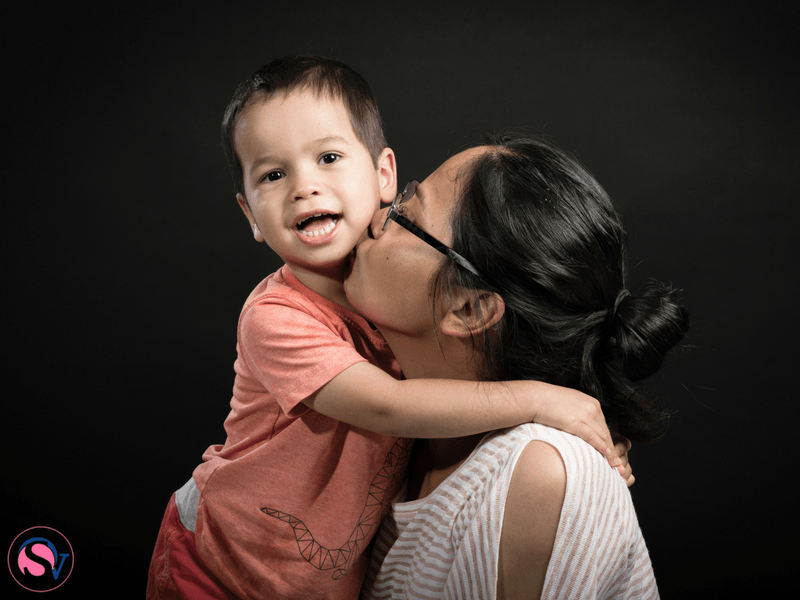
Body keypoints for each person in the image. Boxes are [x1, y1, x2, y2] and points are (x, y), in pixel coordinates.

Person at [146, 57, 627, 600]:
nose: (304, 187)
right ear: (250, 215)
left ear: (382, 176)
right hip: (216, 560)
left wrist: (590, 426)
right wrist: (542, 399)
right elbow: (386, 406)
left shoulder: (396, 302)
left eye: (328, 158)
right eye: (273, 175)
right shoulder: (276, 317)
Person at [348, 134, 690, 599]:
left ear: (469, 310)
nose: (375, 215)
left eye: (407, 214)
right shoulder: (387, 409)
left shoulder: (543, 473)